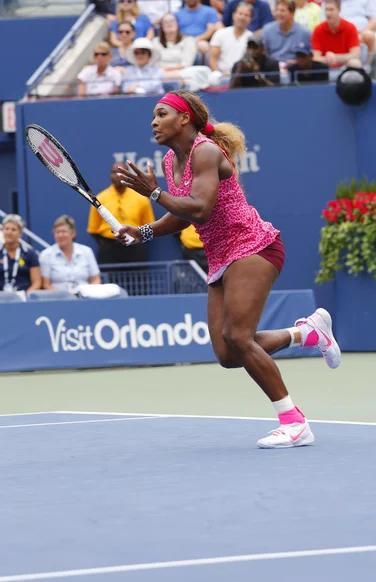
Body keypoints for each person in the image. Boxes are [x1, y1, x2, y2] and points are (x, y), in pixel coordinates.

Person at [115, 90, 341, 449]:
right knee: (227, 353)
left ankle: (294, 422)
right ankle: (308, 334)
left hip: (253, 246)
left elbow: (200, 209)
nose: (153, 122)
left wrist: (154, 194)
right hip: (220, 257)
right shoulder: (170, 163)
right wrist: (143, 232)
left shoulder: (205, 151)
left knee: (239, 337)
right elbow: (182, 215)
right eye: (152, 117)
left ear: (184, 118)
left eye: (161, 114)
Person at [87, 163, 155, 264]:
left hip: (135, 248)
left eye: (122, 172)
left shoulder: (141, 199)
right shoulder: (100, 199)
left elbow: (150, 226)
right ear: (110, 175)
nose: (118, 175)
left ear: (128, 175)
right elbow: (93, 230)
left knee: (137, 278)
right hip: (109, 248)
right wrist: (107, 243)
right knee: (110, 279)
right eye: (114, 172)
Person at [40, 215, 101, 291]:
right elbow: (45, 285)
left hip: (84, 297)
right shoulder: (46, 254)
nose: (60, 235)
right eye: (57, 232)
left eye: (64, 232)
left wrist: (88, 292)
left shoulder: (86, 251)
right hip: (58, 299)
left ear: (73, 234)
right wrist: (65, 296)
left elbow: (96, 279)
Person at [312, 0, 362, 71]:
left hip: (345, 66)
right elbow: (316, 57)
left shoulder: (350, 28)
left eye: (331, 9)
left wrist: (336, 57)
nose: (328, 13)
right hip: (325, 66)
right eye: (326, 9)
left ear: (339, 10)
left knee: (355, 63)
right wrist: (328, 59)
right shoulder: (318, 29)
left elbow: (355, 54)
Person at [0, 214, 40, 293]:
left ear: (20, 233)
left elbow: (37, 282)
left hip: (24, 298)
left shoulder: (30, 254)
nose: (9, 232)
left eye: (13, 230)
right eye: (6, 229)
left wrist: (26, 297)